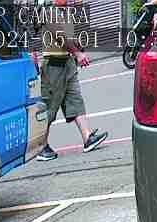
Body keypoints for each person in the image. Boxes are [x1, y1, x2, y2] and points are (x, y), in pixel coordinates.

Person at [34, 12, 108, 161]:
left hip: (68, 62)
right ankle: (42, 147)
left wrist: (77, 45)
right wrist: (77, 53)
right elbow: (60, 36)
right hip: (53, 64)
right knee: (50, 106)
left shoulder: (64, 12)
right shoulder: (49, 10)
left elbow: (67, 36)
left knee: (75, 99)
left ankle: (87, 137)